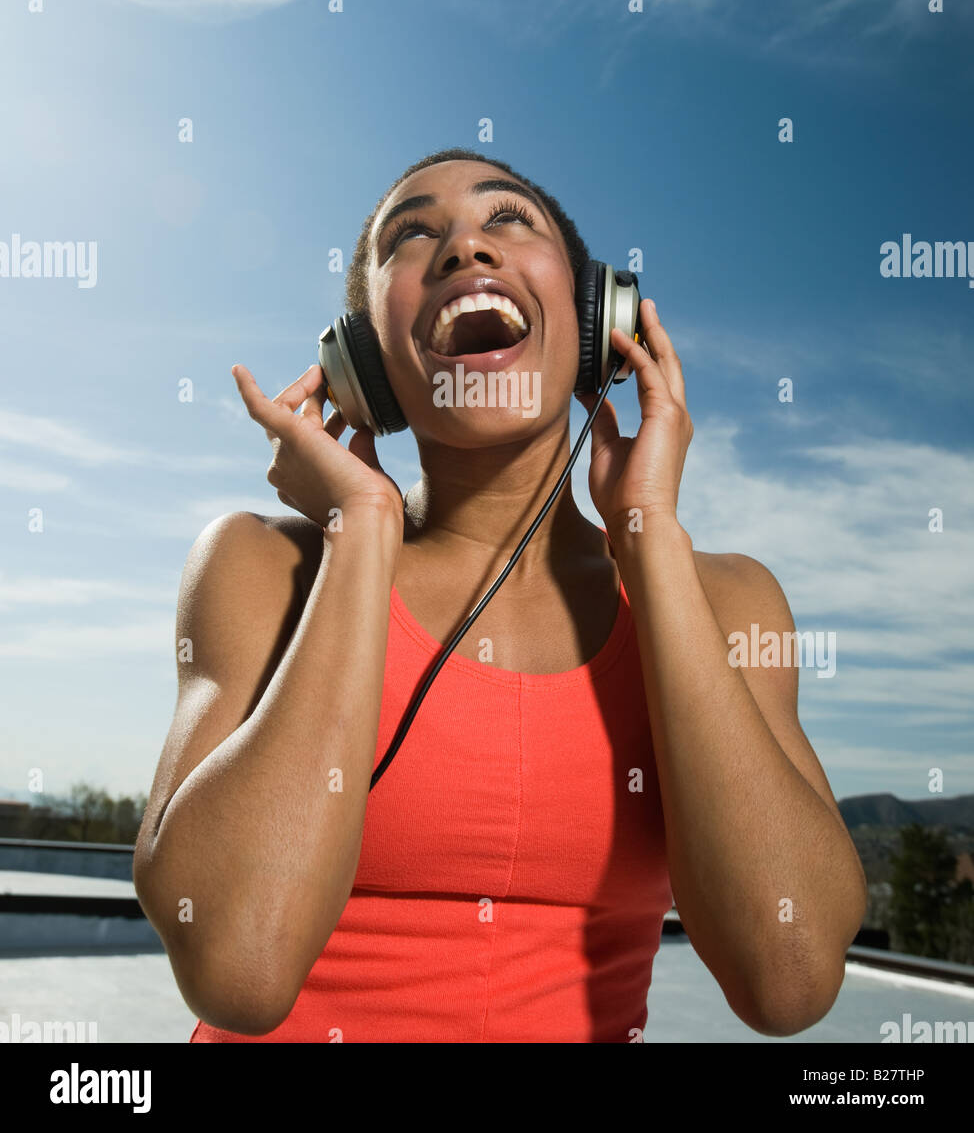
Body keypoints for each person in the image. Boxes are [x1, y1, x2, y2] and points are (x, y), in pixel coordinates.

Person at [133, 149, 868, 1043]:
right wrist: (359, 533)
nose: (464, 250)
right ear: (362, 362)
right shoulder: (262, 567)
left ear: (600, 319)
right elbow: (239, 969)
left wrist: (649, 537)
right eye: (413, 236)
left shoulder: (731, 602)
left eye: (508, 219)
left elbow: (788, 981)